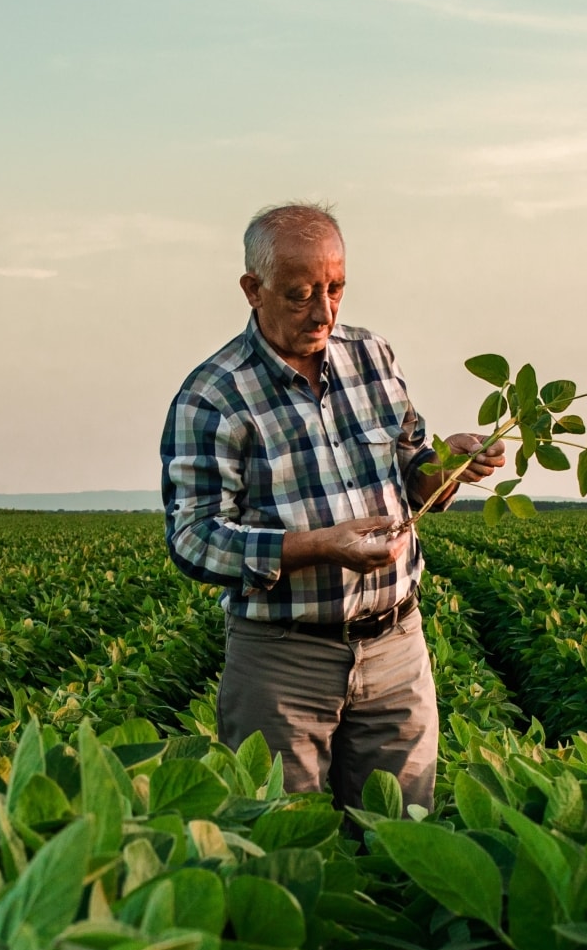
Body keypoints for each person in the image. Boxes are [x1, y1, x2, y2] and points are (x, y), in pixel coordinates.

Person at [159, 203, 502, 810]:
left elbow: (410, 470)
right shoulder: (213, 395)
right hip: (282, 663)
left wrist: (446, 465)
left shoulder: (373, 357)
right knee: (287, 847)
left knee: (403, 840)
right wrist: (321, 545)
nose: (323, 311)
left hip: (396, 647)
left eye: (335, 288)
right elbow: (193, 538)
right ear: (252, 290)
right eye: (300, 294)